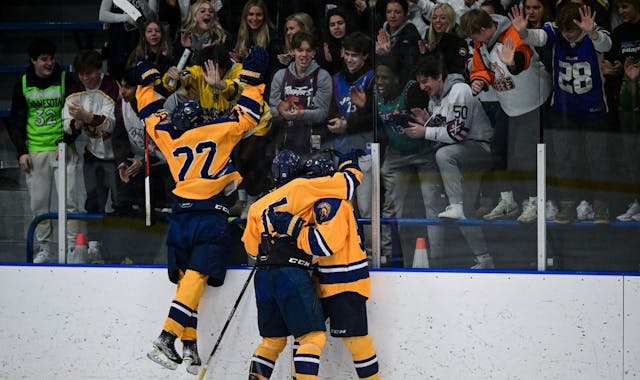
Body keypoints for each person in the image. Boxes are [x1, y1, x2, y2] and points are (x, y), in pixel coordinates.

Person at [135, 46, 269, 374]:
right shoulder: (219, 130)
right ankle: (167, 337)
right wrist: (252, 77)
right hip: (208, 217)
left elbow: (150, 112)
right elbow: (251, 113)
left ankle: (190, 346)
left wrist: (146, 81)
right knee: (196, 276)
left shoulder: (171, 138)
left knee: (185, 279)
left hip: (180, 216)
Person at [241, 149, 364, 380]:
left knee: (272, 341)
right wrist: (349, 162)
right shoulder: (304, 187)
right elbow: (348, 183)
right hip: (291, 272)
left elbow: (250, 248)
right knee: (312, 337)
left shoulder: (258, 205)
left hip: (263, 276)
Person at [510, 3, 613, 223]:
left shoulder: (593, 33)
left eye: (572, 32)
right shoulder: (554, 31)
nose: (568, 37)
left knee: (597, 160)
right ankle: (568, 205)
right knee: (565, 159)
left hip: (594, 110)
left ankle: (601, 206)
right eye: (564, 32)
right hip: (563, 109)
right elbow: (537, 37)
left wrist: (592, 31)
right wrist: (523, 32)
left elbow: (606, 44)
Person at [459, 8, 551, 223]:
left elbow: (522, 59)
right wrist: (478, 80)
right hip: (508, 104)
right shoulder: (481, 43)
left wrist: (512, 63)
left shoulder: (512, 34)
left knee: (525, 156)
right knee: (498, 150)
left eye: (474, 36)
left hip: (533, 102)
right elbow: (480, 67)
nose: (473, 41)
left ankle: (535, 201)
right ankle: (507, 199)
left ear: (483, 30)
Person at [406, 56, 496, 268]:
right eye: (419, 82)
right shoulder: (435, 98)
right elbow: (443, 124)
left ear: (438, 77)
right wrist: (425, 121)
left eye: (425, 81)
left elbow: (457, 133)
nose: (422, 87)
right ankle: (484, 259)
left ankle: (455, 204)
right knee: (465, 212)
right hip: (462, 155)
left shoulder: (460, 91)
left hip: (479, 149)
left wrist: (425, 131)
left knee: (443, 155)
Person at [301, 156, 380, 380]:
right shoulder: (323, 201)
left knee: (355, 340)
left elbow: (324, 245)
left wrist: (295, 232)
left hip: (344, 283)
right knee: (307, 337)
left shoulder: (330, 202)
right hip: (325, 282)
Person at [7, 38, 80, 263]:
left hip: (63, 148)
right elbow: (16, 122)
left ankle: (71, 248)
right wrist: (22, 151)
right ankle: (44, 248)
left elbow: (76, 115)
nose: (49, 63)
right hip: (36, 150)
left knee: (69, 202)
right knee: (39, 204)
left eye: (51, 58)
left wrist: (66, 141)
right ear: (33, 60)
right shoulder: (23, 84)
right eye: (43, 59)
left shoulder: (65, 79)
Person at [376, 56, 445, 265]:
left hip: (423, 152)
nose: (379, 82)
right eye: (377, 77)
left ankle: (438, 256)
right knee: (390, 205)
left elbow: (433, 117)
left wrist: (415, 119)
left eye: (384, 78)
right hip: (396, 154)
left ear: (396, 80)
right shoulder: (375, 95)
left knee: (432, 202)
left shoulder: (413, 90)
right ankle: (387, 255)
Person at [327, 31, 375, 237]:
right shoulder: (336, 79)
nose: (349, 59)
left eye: (355, 55)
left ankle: (374, 255)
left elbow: (376, 118)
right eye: (346, 53)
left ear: (365, 56)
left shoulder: (373, 78)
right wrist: (334, 123)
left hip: (366, 153)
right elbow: (330, 110)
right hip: (341, 151)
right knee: (345, 207)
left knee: (366, 209)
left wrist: (353, 119)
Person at [63, 50, 120, 217]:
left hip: (118, 156)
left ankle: (121, 242)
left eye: (88, 73)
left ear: (99, 70)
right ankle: (94, 242)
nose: (84, 78)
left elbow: (110, 125)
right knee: (94, 204)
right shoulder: (75, 90)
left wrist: (86, 117)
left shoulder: (112, 86)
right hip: (93, 155)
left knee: (122, 203)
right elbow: (66, 125)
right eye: (81, 74)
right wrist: (79, 121)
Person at [112, 68, 172, 218]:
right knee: (127, 206)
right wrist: (122, 162)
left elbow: (168, 146)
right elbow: (119, 138)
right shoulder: (121, 106)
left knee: (160, 213)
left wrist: (145, 161)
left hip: (162, 166)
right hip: (136, 163)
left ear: (140, 88)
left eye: (128, 87)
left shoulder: (161, 105)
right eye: (122, 86)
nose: (123, 92)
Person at [269, 31, 332, 159]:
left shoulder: (322, 76)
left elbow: (322, 113)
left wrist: (300, 114)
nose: (304, 55)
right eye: (300, 50)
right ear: (292, 52)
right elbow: (270, 111)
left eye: (308, 50)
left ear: (314, 53)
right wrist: (280, 111)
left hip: (315, 148)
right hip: (284, 145)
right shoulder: (280, 76)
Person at [604, 0, 640, 221]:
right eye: (619, 8)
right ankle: (636, 201)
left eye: (625, 7)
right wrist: (615, 70)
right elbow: (614, 63)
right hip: (626, 101)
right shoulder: (619, 32)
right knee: (630, 155)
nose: (621, 12)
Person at [99, 0, 158, 80]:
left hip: (140, 41)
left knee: (140, 76)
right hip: (117, 41)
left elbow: (152, 18)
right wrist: (126, 17)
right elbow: (102, 15)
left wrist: (143, 4)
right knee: (117, 76)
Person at [375, 0, 422, 85]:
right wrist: (378, 55)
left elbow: (410, 67)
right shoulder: (381, 31)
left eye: (397, 12)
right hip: (383, 82)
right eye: (389, 12)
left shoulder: (411, 33)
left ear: (405, 14)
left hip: (403, 83)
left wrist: (389, 54)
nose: (392, 16)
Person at [173, 0, 230, 67]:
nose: (208, 13)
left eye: (211, 11)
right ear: (194, 16)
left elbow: (225, 66)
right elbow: (177, 67)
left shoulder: (221, 37)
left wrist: (214, 51)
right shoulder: (184, 36)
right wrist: (187, 49)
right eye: (202, 11)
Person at [418, 3, 469, 77]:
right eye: (434, 17)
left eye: (443, 18)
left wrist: (433, 53)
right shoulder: (428, 38)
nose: (437, 21)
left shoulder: (459, 42)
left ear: (450, 20)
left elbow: (458, 70)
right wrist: (425, 54)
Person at [126, 19, 174, 97]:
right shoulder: (137, 54)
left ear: (162, 35)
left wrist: (164, 58)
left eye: (157, 31)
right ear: (144, 35)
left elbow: (166, 82)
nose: (154, 34)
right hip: (142, 97)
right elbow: (130, 79)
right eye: (149, 31)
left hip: (162, 97)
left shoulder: (167, 56)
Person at [318, 7, 356, 75]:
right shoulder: (325, 46)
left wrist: (344, 61)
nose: (336, 27)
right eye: (332, 25)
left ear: (346, 24)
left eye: (340, 23)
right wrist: (328, 62)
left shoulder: (356, 42)